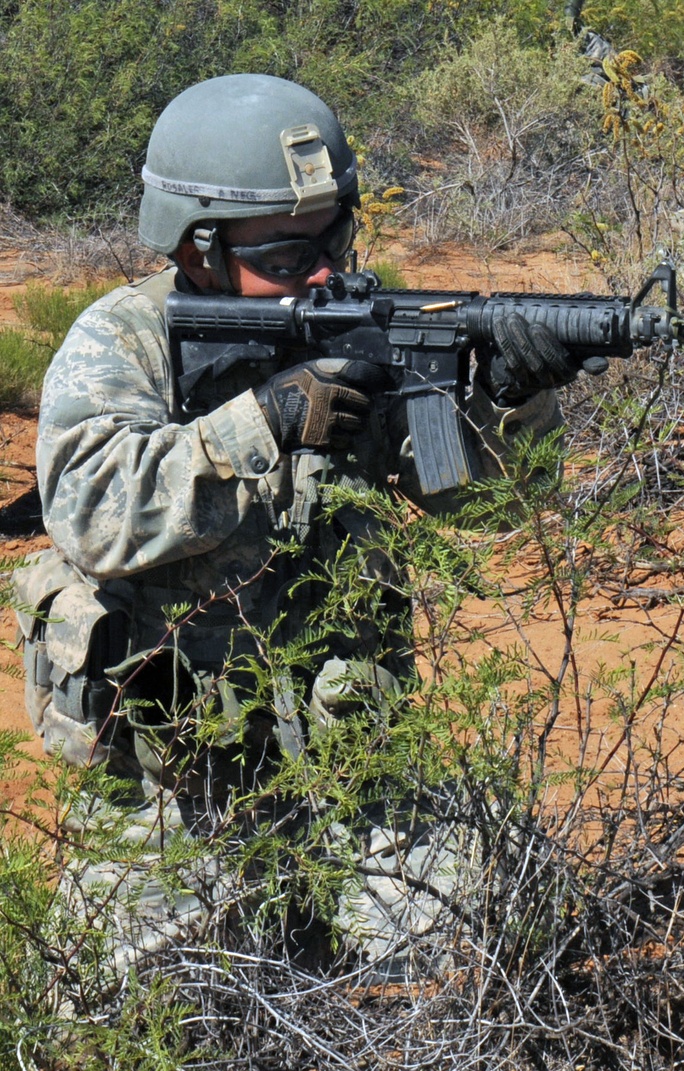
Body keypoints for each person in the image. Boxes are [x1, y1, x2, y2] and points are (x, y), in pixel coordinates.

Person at [12, 73, 604, 987]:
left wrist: (512, 398)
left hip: (350, 775)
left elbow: (480, 503)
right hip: (179, 797)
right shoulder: (119, 343)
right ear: (196, 248)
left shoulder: (361, 326)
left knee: (508, 920)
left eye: (336, 238)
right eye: (289, 255)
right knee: (120, 997)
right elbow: (93, 513)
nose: (325, 273)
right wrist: (266, 422)